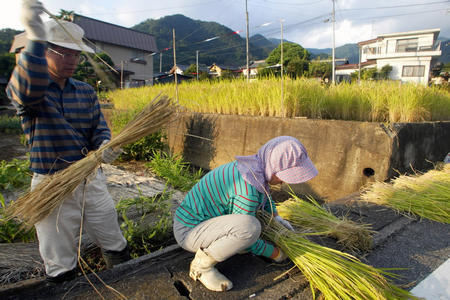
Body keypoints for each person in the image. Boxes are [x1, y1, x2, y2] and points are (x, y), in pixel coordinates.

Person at [6, 0, 129, 283]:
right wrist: (35, 37)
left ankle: (129, 279)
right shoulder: (31, 90)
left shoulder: (85, 92)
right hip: (51, 183)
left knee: (113, 238)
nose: (73, 60)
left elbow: (99, 128)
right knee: (59, 258)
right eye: (65, 53)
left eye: (76, 55)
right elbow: (25, 90)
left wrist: (105, 145)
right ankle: (65, 288)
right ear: (46, 51)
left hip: (89, 180)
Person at [173, 136, 318, 292]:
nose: (284, 182)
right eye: (282, 175)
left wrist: (276, 217)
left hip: (202, 222)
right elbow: (248, 235)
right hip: (189, 232)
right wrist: (275, 253)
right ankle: (201, 267)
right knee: (251, 227)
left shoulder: (254, 169)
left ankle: (230, 244)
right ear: (272, 166)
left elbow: (265, 194)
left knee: (250, 227)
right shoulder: (247, 189)